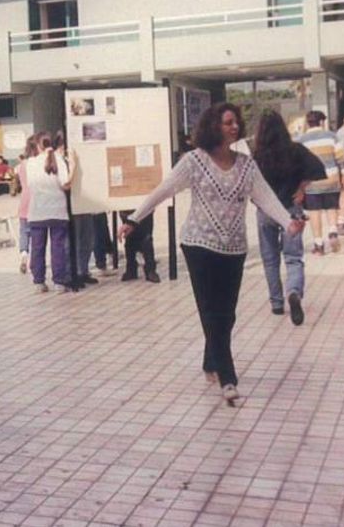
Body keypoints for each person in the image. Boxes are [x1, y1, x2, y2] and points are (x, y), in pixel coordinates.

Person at [120, 103, 302, 406]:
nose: (234, 127)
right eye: (227, 122)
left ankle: (210, 361)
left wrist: (288, 223)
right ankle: (228, 377)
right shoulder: (194, 161)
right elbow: (163, 190)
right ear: (213, 127)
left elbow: (265, 197)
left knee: (226, 314)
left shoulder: (247, 165)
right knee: (211, 311)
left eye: (236, 122)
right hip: (198, 245)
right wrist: (133, 219)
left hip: (234, 247)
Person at [251, 110, 326, 323]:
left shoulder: (257, 155)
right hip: (291, 209)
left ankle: (276, 303)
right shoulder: (295, 150)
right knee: (293, 258)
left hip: (265, 211)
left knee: (270, 258)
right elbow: (318, 168)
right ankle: (293, 292)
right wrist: (302, 188)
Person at [27, 133, 73, 293]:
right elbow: (66, 184)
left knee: (37, 248)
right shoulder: (58, 159)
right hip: (57, 210)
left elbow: (30, 186)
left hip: (37, 210)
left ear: (37, 146)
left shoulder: (30, 163)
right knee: (58, 247)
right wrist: (75, 168)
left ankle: (39, 282)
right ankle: (59, 282)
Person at [298, 110, 344, 255]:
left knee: (314, 213)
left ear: (308, 123)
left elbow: (298, 163)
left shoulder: (301, 140)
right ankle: (332, 231)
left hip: (312, 182)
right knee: (331, 207)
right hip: (331, 179)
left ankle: (318, 244)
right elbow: (341, 157)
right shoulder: (332, 137)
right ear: (322, 122)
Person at [15, 137, 40, 274]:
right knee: (36, 233)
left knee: (24, 231)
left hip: (24, 200)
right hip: (36, 200)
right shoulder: (37, 163)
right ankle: (35, 261)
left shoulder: (22, 165)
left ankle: (24, 254)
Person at [118, 208, 159, 283]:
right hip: (126, 205)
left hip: (143, 204)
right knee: (129, 237)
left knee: (146, 238)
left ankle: (150, 269)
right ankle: (131, 268)